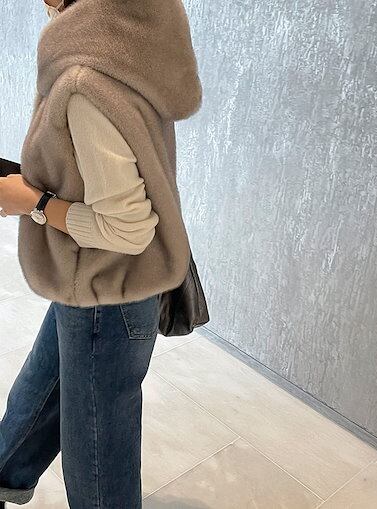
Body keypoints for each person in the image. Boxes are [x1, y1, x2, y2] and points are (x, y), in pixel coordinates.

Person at [0, 0, 202, 507]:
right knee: (40, 392)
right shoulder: (136, 31)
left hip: (107, 287)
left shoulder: (84, 79)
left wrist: (33, 203)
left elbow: (127, 228)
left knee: (97, 459)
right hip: (95, 278)